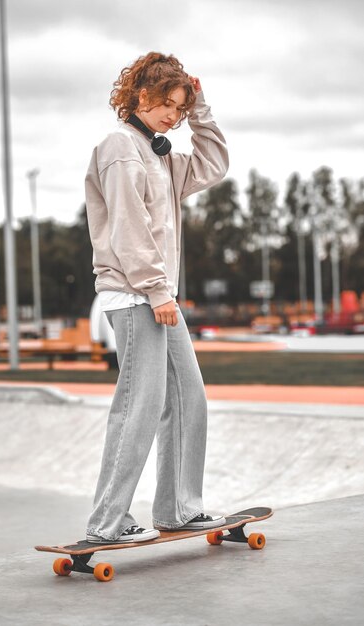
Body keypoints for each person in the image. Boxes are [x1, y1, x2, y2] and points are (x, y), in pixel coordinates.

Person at [84, 51, 229, 544]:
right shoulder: (120, 147)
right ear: (140, 95)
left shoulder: (161, 156)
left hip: (157, 296)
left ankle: (178, 508)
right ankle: (108, 521)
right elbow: (129, 230)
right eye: (166, 103)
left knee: (189, 398)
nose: (173, 115)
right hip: (134, 295)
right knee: (139, 406)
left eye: (180, 108)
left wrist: (201, 107)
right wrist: (156, 289)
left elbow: (213, 163)